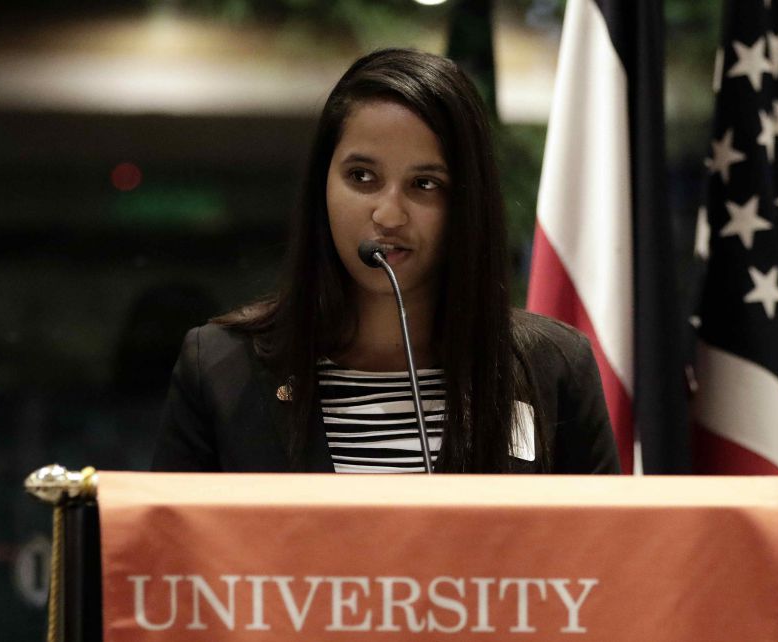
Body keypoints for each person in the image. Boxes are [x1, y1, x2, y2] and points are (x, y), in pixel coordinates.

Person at [152, 48, 618, 474]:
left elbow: (603, 558)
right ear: (323, 186)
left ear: (467, 204)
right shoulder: (220, 367)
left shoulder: (554, 368)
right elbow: (172, 556)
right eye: (362, 176)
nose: (389, 214)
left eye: (425, 184)